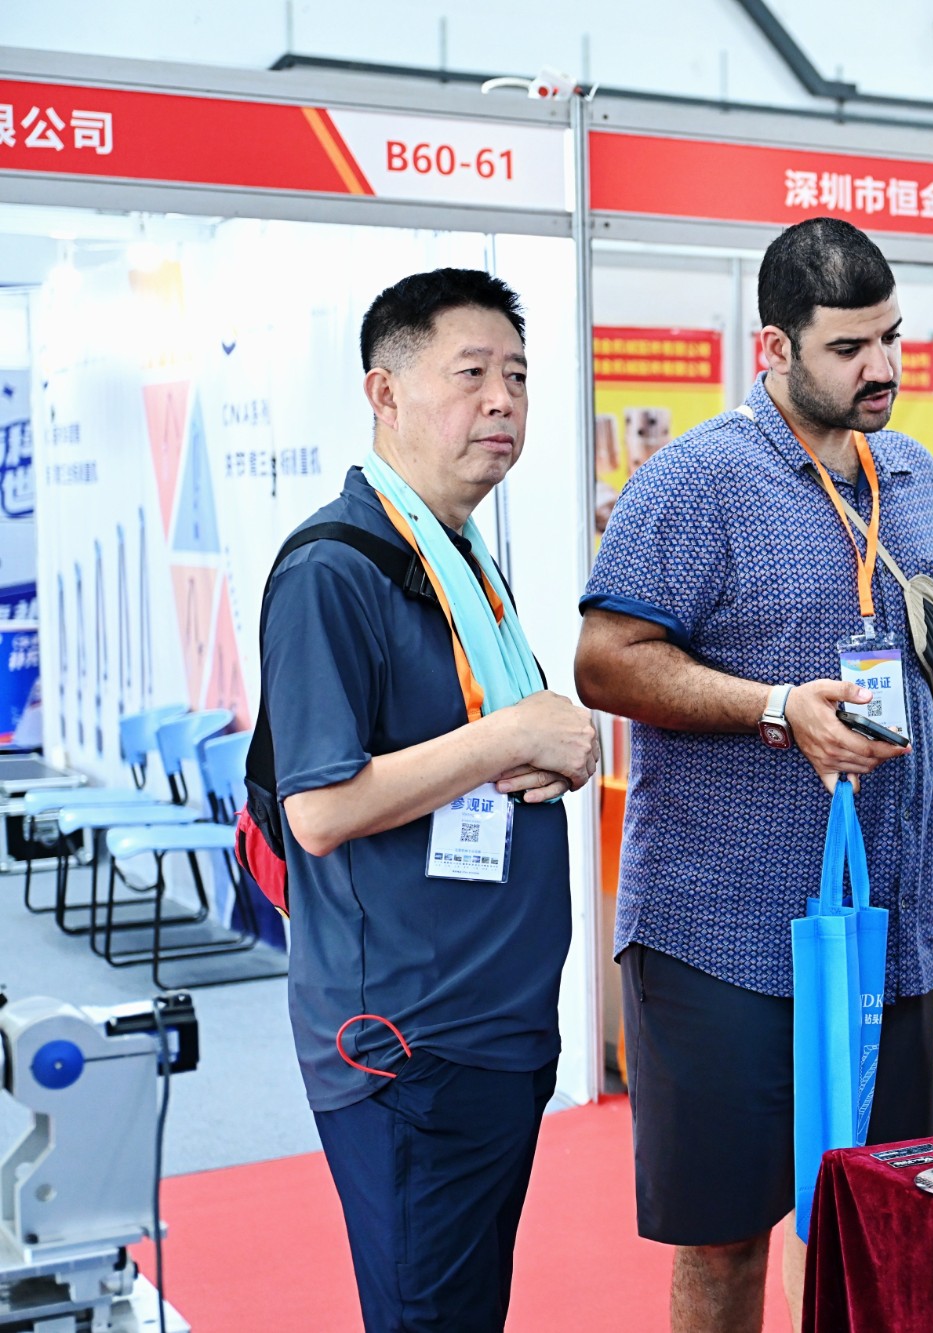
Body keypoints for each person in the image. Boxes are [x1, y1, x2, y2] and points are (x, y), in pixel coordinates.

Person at [573, 217, 933, 1332]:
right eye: (848, 348)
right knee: (726, 1236)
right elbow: (605, 661)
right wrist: (773, 707)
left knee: (876, 1216)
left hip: (888, 927)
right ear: (774, 347)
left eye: (891, 339)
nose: (881, 368)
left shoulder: (913, 478)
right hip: (721, 934)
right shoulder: (695, 481)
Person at [263, 268, 601, 1332]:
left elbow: (478, 748)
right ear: (385, 392)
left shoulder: (458, 558)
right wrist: (510, 735)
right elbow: (319, 809)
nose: (503, 400)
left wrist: (549, 750)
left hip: (494, 1028)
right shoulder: (335, 569)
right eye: (471, 374)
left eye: (518, 377)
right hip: (407, 1040)